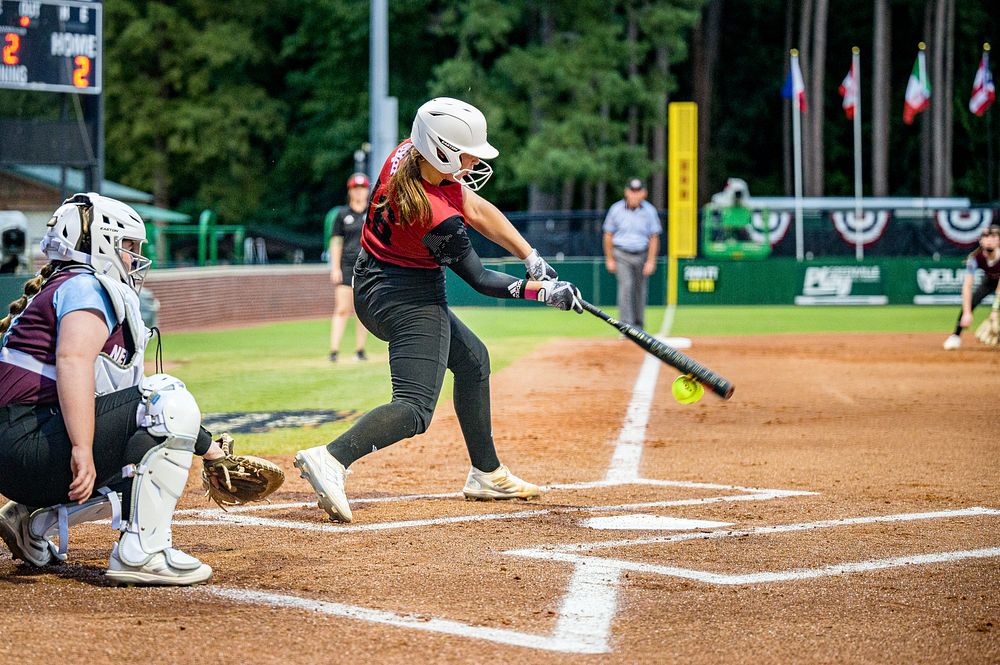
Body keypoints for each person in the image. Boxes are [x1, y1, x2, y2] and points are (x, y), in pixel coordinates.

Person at [294, 97, 579, 523]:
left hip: (376, 280)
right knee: (414, 408)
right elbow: (481, 280)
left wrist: (530, 255)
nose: (471, 162)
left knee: (473, 363)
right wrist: (544, 292)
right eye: (466, 153)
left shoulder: (408, 155)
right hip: (403, 297)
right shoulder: (433, 214)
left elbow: (478, 209)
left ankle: (486, 473)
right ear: (442, 149)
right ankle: (331, 458)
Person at [0, 193, 229, 585]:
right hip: (23, 442)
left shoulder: (65, 283)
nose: (134, 258)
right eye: (128, 247)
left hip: (19, 447)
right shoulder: (87, 286)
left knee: (144, 442)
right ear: (101, 243)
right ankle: (142, 552)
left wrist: (207, 448)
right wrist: (82, 448)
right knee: (168, 401)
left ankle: (31, 520)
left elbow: (121, 405)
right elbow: (75, 362)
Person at [602, 178, 663, 330]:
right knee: (626, 287)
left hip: (641, 253)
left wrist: (651, 261)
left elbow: (654, 237)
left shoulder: (649, 211)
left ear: (644, 193)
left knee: (640, 290)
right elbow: (608, 235)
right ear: (626, 192)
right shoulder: (616, 209)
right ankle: (626, 327)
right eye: (632, 191)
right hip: (622, 253)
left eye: (638, 191)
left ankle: (639, 326)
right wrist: (609, 259)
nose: (635, 195)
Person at [329, 173, 372, 362]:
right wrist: (335, 268)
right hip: (347, 265)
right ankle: (334, 350)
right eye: (356, 188)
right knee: (342, 308)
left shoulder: (372, 213)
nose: (359, 192)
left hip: (367, 266)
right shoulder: (342, 215)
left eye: (362, 188)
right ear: (350, 191)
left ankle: (360, 349)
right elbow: (336, 242)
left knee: (363, 310)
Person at [944, 225, 1000, 350]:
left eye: (993, 236)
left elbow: (999, 290)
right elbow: (967, 287)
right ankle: (955, 336)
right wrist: (967, 313)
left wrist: (994, 311)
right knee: (972, 301)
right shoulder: (975, 258)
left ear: (999, 240)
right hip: (990, 280)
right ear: (981, 240)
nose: (989, 239)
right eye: (986, 236)